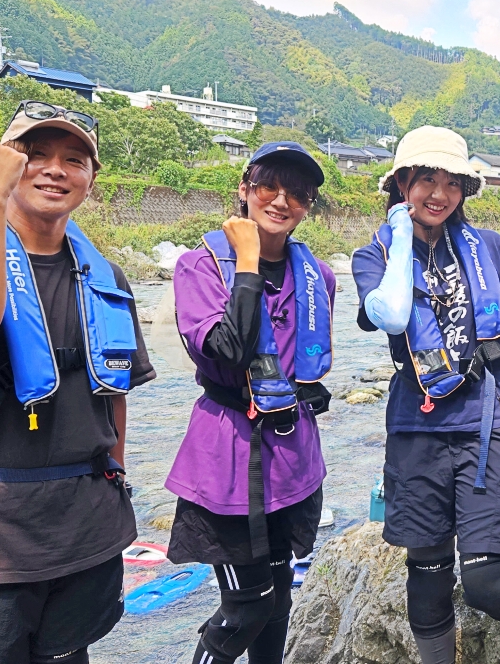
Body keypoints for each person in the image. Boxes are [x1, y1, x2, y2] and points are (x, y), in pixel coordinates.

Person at [0, 101, 155, 663]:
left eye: (74, 159)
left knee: (71, 656)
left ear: (91, 179)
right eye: (32, 154)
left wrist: (117, 473)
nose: (54, 169)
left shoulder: (103, 275)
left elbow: (112, 392)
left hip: (85, 524)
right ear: (4, 164)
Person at [351, 126, 500, 664]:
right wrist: (401, 235)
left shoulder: (489, 247)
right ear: (402, 182)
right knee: (426, 573)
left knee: (487, 581)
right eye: (426, 179)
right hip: (415, 427)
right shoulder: (373, 256)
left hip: (486, 422)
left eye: (452, 182)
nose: (439, 193)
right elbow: (395, 313)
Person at [166, 142, 335, 664]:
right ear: (244, 190)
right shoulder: (200, 266)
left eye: (298, 193)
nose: (282, 201)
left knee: (280, 598)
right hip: (229, 460)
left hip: (292, 457)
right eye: (268, 187)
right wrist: (245, 261)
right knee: (247, 604)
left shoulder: (318, 277)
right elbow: (226, 350)